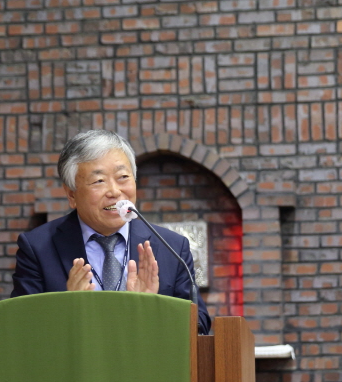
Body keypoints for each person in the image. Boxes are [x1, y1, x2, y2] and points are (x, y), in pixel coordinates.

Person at [11, 129, 211, 334]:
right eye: (99, 181)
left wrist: (151, 309)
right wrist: (68, 310)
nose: (115, 192)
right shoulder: (37, 247)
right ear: (71, 195)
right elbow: (19, 329)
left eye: (123, 177)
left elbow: (200, 325)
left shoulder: (172, 247)